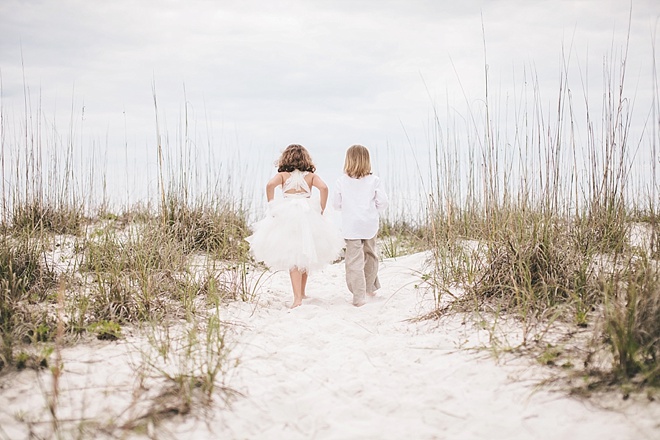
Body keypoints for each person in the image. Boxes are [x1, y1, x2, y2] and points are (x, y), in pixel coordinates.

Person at [246, 144, 344, 308]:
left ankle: (298, 298)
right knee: (306, 252)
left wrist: (272, 206)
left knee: (294, 255)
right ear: (306, 159)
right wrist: (321, 207)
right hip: (308, 214)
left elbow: (270, 185)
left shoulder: (283, 175)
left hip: (288, 214)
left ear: (286, 158)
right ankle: (302, 293)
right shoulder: (311, 176)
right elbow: (324, 188)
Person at [333, 145, 388, 307]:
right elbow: (383, 202)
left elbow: (336, 205)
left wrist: (348, 207)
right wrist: (373, 209)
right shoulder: (374, 180)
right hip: (369, 224)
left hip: (351, 226)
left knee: (354, 260)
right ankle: (369, 288)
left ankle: (359, 296)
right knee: (370, 255)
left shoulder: (341, 181)